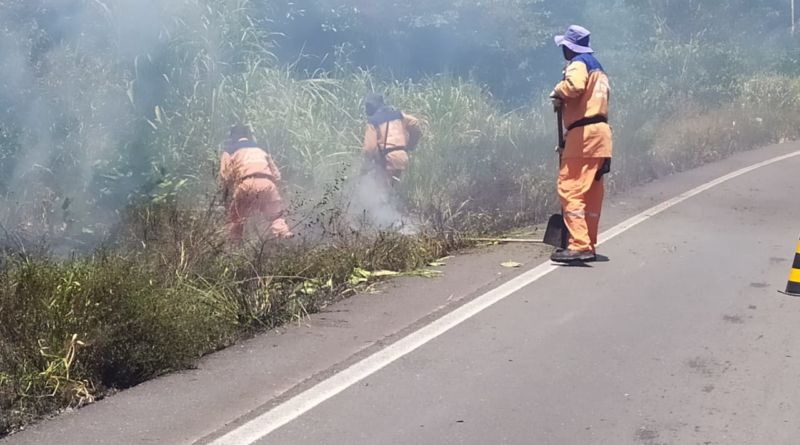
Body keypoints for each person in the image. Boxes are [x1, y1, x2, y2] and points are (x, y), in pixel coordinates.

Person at [549, 25, 612, 263]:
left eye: (564, 46)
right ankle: (588, 242)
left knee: (570, 187)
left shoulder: (578, 64)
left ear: (569, 47)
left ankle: (579, 245)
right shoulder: (600, 71)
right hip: (601, 135)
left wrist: (558, 92)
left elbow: (574, 87)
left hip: (584, 135)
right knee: (591, 193)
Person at [219, 124, 293, 242]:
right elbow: (277, 176)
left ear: (233, 136)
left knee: (236, 219)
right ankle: (285, 236)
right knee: (276, 217)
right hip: (268, 184)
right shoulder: (260, 149)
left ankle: (235, 246)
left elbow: (225, 176)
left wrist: (225, 197)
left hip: (246, 185)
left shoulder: (229, 151)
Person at [361, 93, 423, 189]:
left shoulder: (373, 121)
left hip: (388, 160)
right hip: (403, 157)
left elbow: (369, 148)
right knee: (395, 191)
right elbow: (415, 122)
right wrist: (411, 144)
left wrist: (365, 166)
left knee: (382, 192)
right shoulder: (398, 114)